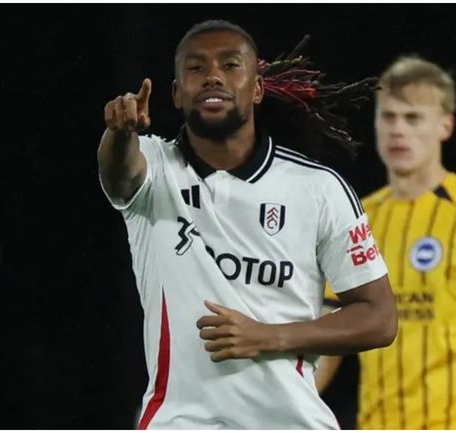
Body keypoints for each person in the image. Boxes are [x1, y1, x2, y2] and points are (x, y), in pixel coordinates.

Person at [97, 20, 397, 429]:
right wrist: (118, 133)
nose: (213, 76)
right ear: (177, 94)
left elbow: (379, 318)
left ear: (256, 88)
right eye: (196, 68)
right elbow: (119, 173)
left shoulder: (318, 188)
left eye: (230, 65)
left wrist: (268, 336)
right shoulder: (156, 170)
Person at [317, 56, 456, 429]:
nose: (398, 130)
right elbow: (325, 346)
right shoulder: (355, 220)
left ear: (445, 126)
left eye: (413, 118)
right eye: (389, 117)